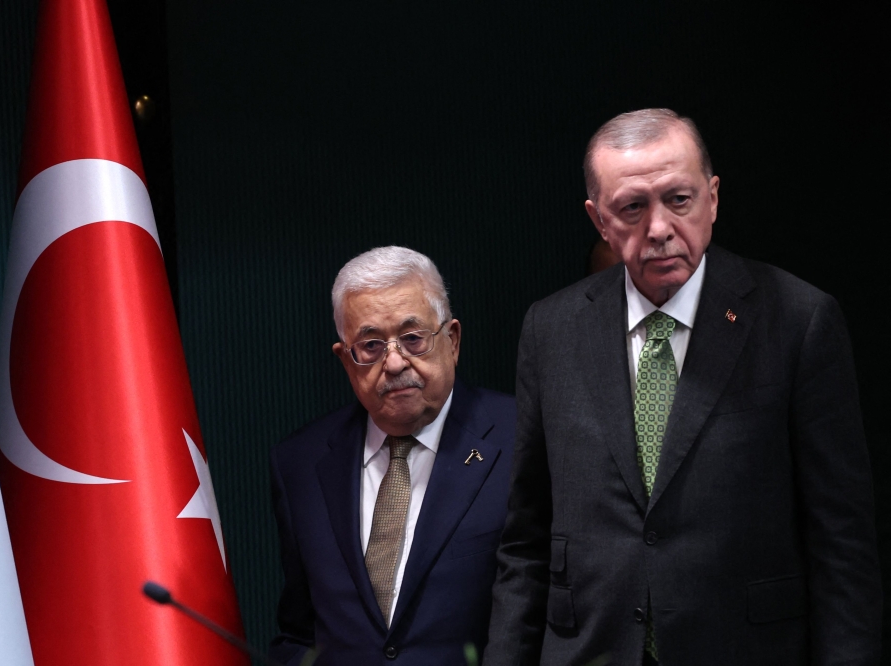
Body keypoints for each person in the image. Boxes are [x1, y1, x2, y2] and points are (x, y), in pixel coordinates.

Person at [484, 109, 881, 665]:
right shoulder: (550, 330)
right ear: (598, 219)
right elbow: (526, 539)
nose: (660, 228)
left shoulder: (798, 320)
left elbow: (842, 542)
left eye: (679, 199)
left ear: (712, 198)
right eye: (632, 207)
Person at [269, 246, 516, 665]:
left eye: (413, 338)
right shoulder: (300, 463)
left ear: (452, 341)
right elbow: (299, 631)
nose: (395, 362)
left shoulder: (522, 436)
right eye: (370, 345)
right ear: (346, 360)